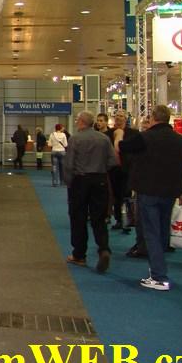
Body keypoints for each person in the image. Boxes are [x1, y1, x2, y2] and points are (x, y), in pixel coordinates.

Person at [119, 105, 182, 291]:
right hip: (170, 192)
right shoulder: (181, 140)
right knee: (162, 232)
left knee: (151, 232)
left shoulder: (145, 137)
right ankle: (159, 270)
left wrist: (119, 135)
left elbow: (122, 148)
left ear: (153, 118)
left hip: (148, 191)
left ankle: (159, 276)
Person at [63, 110, 118, 273]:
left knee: (78, 218)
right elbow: (113, 161)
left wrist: (69, 183)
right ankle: (104, 249)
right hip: (100, 180)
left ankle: (79, 255)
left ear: (81, 122)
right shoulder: (104, 139)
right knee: (99, 218)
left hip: (80, 181)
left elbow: (69, 164)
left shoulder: (75, 139)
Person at [110, 110, 138, 230]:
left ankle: (130, 219)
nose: (118, 118)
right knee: (116, 196)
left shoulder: (134, 133)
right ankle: (119, 220)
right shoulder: (109, 133)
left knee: (128, 195)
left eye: (121, 116)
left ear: (125, 119)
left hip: (129, 169)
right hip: (113, 169)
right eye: (117, 116)